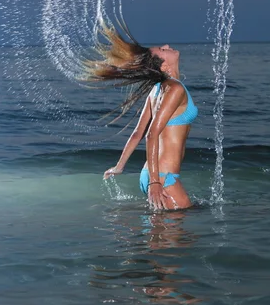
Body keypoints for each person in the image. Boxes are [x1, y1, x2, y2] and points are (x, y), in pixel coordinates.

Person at [84, 18, 198, 210]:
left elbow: (137, 132)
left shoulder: (157, 90)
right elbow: (150, 134)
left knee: (161, 237)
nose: (167, 46)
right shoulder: (174, 89)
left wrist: (119, 167)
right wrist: (155, 183)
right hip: (162, 178)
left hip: (153, 174)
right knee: (180, 236)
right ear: (163, 66)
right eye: (162, 50)